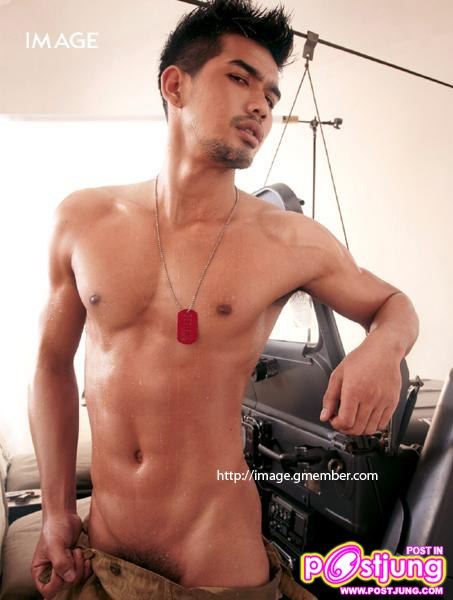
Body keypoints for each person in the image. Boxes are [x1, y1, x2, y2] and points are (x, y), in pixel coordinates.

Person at [28, 1, 419, 598]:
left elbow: (394, 304)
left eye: (271, 94)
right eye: (240, 78)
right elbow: (51, 366)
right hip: (102, 556)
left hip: (219, 567)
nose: (261, 105)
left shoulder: (290, 240)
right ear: (175, 86)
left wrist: (383, 349)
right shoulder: (83, 220)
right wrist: (56, 511)